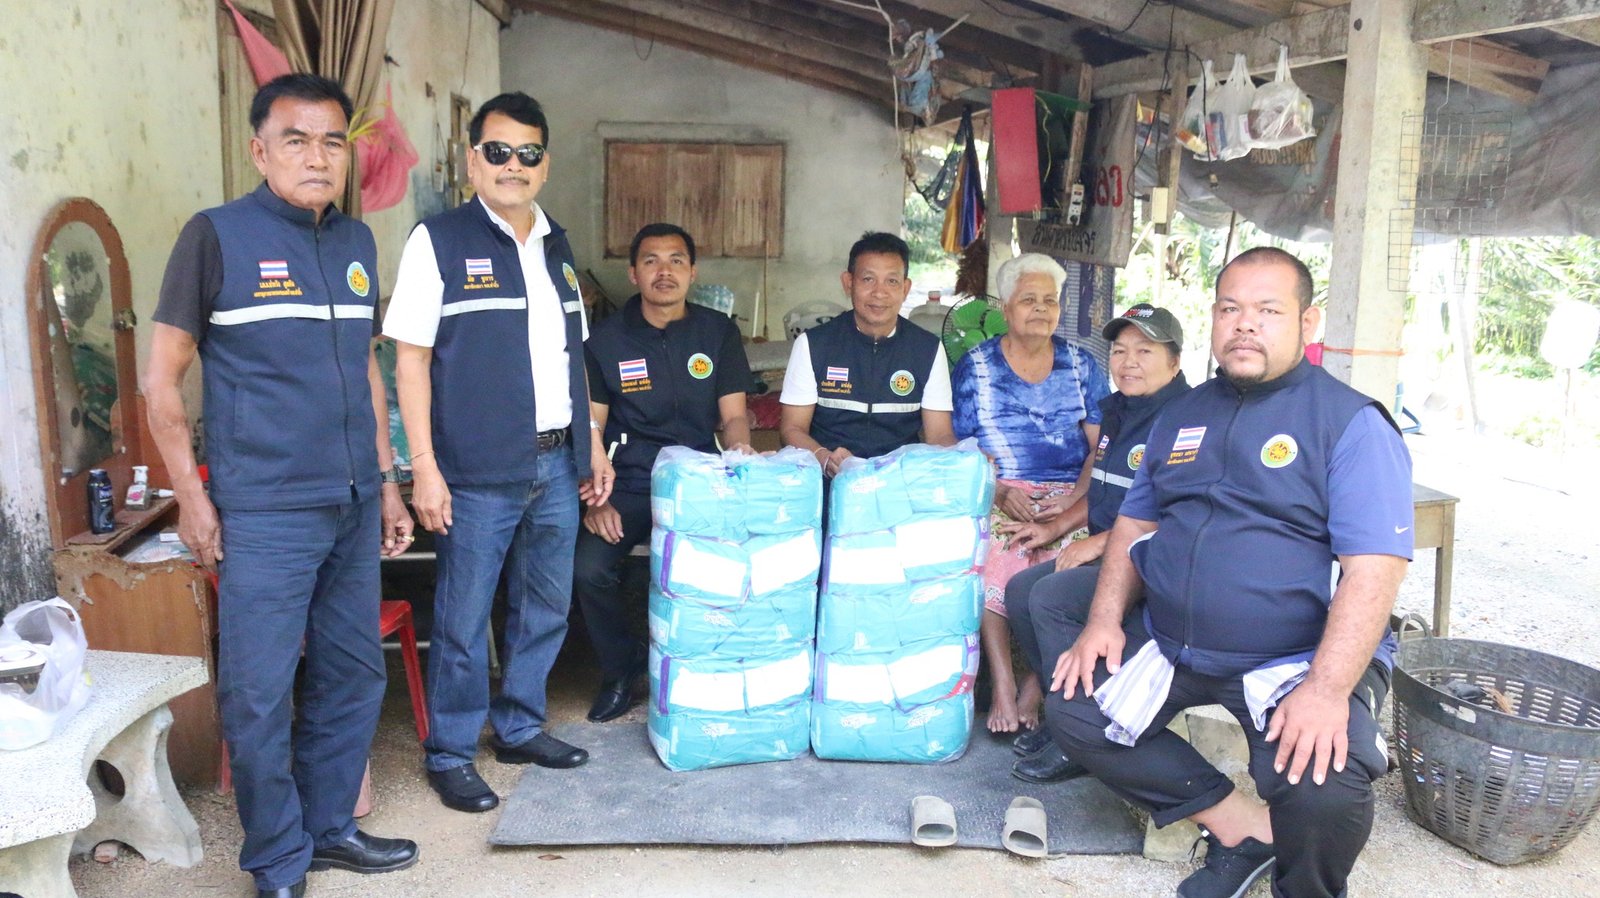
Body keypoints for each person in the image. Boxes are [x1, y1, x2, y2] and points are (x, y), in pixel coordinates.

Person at [1049, 247, 1413, 898]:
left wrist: (1327, 689)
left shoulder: (1350, 423)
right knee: (1075, 710)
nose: (1245, 324)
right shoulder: (1182, 414)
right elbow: (1133, 524)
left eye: (1268, 310)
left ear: (1307, 323)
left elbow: (1374, 571)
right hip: (1175, 643)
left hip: (1294, 657)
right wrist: (1103, 621)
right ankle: (1242, 830)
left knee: (1326, 782)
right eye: (1230, 309)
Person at [143, 73, 418, 898]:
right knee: (259, 694)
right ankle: (276, 857)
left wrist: (388, 483)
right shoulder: (216, 236)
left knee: (352, 674)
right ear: (260, 151)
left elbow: (365, 372)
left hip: (352, 503)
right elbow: (161, 380)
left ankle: (330, 829)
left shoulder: (356, 243)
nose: (317, 157)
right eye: (295, 140)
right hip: (266, 509)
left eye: (332, 141)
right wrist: (193, 499)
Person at [384, 92, 614, 814]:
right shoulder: (438, 241)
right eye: (498, 151)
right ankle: (451, 752)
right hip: (475, 468)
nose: (513, 165)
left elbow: (573, 356)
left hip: (557, 462)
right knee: (463, 616)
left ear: (545, 164)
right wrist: (423, 466)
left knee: (545, 606)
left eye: (528, 153)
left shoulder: (557, 245)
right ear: (472, 159)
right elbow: (411, 361)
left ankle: (518, 726)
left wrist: (592, 442)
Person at [998, 302, 1190, 784]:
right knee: (1021, 591)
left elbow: (1177, 514)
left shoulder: (1184, 422)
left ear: (1175, 362)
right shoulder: (1120, 409)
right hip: (1113, 550)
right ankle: (1066, 714)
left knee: (1051, 597)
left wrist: (1098, 544)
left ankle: (1082, 736)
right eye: (1120, 351)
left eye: (1145, 351)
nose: (1128, 362)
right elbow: (1104, 487)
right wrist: (1057, 527)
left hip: (1153, 564)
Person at [575, 223, 752, 723]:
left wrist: (740, 452)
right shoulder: (605, 341)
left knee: (736, 560)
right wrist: (595, 498)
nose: (664, 271)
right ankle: (622, 668)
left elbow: (734, 415)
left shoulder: (717, 333)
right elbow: (592, 428)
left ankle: (713, 665)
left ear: (692, 272)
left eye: (676, 260)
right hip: (629, 483)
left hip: (700, 480)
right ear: (634, 274)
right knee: (587, 569)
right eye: (651, 261)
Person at [950, 253, 1110, 736]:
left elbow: (1101, 446)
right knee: (997, 551)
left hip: (1069, 493)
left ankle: (1035, 685)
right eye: (1028, 300)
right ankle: (1002, 681)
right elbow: (959, 447)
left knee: (1065, 557)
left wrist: (1075, 497)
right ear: (1005, 308)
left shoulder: (1081, 365)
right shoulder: (976, 367)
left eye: (1050, 300)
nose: (1041, 309)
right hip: (1000, 488)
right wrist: (998, 491)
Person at [779, 231, 955, 472]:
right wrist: (824, 458)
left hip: (899, 480)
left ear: (905, 288)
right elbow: (792, 428)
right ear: (848, 283)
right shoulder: (813, 345)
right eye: (868, 279)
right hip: (828, 479)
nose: (879, 293)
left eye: (892, 281)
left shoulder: (928, 349)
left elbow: (939, 435)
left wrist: (966, 458)